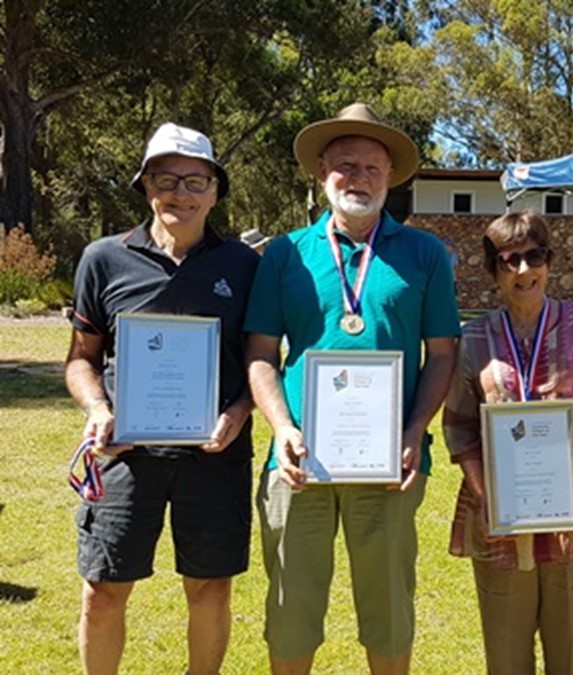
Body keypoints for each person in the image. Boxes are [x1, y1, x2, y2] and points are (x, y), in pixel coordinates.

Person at [245, 102, 460, 675]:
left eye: (371, 166)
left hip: (390, 461)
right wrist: (283, 428)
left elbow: (443, 355)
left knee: (388, 605)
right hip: (297, 460)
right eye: (345, 165)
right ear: (321, 170)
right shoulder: (287, 253)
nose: (358, 177)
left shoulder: (426, 255)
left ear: (390, 175)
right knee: (291, 605)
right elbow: (261, 355)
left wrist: (416, 429)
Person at [64, 122, 260, 674]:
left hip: (215, 454)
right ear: (146, 186)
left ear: (216, 190)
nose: (181, 193)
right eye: (167, 179)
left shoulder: (244, 267)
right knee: (103, 590)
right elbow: (81, 359)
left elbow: (262, 360)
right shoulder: (104, 258)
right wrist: (99, 409)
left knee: (209, 590)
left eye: (196, 180)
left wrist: (240, 412)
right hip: (126, 456)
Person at [441, 211, 573, 674]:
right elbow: (459, 424)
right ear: (493, 271)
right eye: (509, 260)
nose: (524, 271)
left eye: (534, 256)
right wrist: (488, 497)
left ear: (549, 261)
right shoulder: (475, 337)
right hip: (499, 522)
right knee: (505, 659)